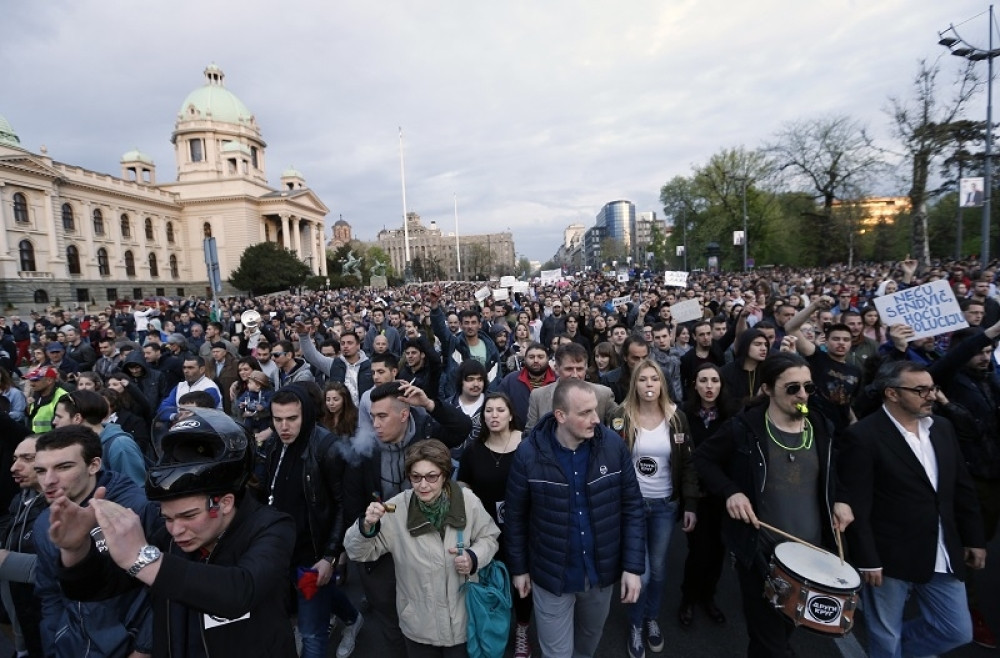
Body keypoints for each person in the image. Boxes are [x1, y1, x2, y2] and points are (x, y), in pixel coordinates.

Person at [48, 407, 299, 657]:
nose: (176, 530)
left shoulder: (271, 527)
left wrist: (141, 558)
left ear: (224, 503)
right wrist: (76, 549)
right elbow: (97, 588)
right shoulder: (165, 537)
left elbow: (239, 592)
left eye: (189, 516)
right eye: (167, 517)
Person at [693, 352, 853, 658]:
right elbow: (702, 458)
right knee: (770, 639)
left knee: (785, 624)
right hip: (762, 553)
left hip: (811, 551)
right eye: (792, 388)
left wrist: (841, 499)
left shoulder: (819, 425)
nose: (803, 395)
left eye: (808, 387)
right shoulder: (745, 428)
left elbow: (832, 473)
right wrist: (731, 491)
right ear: (767, 389)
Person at [840, 361, 986, 658]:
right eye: (921, 390)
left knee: (957, 630)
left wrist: (974, 538)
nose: (930, 395)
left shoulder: (942, 428)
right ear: (892, 393)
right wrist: (867, 559)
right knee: (885, 634)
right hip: (889, 557)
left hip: (942, 550)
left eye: (932, 388)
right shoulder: (864, 436)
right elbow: (858, 504)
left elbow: (961, 488)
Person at [505, 378, 645, 658]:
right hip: (552, 574)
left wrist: (632, 566)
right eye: (585, 413)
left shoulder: (613, 448)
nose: (596, 418)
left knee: (589, 638)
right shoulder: (528, 454)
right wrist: (519, 569)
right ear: (560, 416)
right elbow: (516, 516)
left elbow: (632, 507)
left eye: (595, 410)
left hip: (599, 573)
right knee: (557, 653)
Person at [342, 380, 473, 656]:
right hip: (385, 559)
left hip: (430, 554)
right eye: (372, 417)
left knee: (437, 627)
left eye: (382, 416)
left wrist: (429, 404)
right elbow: (353, 506)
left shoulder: (426, 438)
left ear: (404, 415)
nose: (375, 424)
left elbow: (462, 428)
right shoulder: (365, 453)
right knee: (391, 625)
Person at [345, 439, 501, 658]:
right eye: (416, 477)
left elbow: (490, 536)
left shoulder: (468, 502)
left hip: (463, 623)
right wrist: (365, 526)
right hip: (419, 627)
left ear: (445, 475)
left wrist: (474, 557)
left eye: (431, 476)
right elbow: (358, 552)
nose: (423, 485)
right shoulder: (396, 509)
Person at [33, 424, 156, 657]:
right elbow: (50, 592)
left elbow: (165, 587)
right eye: (40, 470)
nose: (48, 480)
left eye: (63, 467)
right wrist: (53, 644)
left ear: (94, 465)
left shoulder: (137, 509)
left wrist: (145, 648)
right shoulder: (45, 521)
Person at [605, 359, 699, 658]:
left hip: (664, 506)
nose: (649, 385)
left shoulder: (677, 418)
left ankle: (651, 618)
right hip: (631, 506)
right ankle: (635, 623)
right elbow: (610, 457)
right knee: (640, 572)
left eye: (654, 379)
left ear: (662, 384)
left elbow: (688, 464)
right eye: (643, 379)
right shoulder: (621, 416)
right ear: (635, 384)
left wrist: (690, 503)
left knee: (658, 570)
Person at [261, 384, 363, 658]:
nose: (284, 426)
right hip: (282, 553)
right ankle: (353, 618)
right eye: (278, 419)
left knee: (310, 632)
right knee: (321, 594)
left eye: (292, 419)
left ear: (305, 415)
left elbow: (342, 506)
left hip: (312, 555)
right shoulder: (273, 445)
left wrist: (329, 556)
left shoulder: (326, 448)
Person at [459, 393, 532, 658]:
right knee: (495, 581)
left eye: (500, 410)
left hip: (524, 527)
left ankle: (522, 629)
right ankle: (494, 631)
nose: (494, 415)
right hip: (487, 529)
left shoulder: (527, 444)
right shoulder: (473, 451)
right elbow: (464, 487)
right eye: (488, 411)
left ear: (511, 414)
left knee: (522, 580)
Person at [679, 363, 736, 627]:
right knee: (698, 552)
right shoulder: (684, 414)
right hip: (695, 493)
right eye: (703, 380)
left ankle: (708, 597)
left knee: (718, 552)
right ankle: (688, 598)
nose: (709, 386)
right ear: (695, 385)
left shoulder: (732, 415)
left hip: (722, 493)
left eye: (715, 380)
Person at [1, 436, 47, 658]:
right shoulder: (21, 500)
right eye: (14, 458)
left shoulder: (60, 508)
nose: (14, 467)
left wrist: (7, 562)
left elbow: (60, 568)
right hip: (24, 616)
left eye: (27, 459)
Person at [52, 390, 147, 487]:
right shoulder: (76, 445)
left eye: (59, 417)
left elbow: (135, 491)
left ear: (77, 418)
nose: (54, 422)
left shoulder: (120, 445)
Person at [525, 342, 615, 433]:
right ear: (556, 369)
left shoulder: (604, 394)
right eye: (569, 369)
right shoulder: (538, 396)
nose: (575, 375)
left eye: (579, 369)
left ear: (586, 368)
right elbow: (530, 434)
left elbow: (621, 423)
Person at [497, 341, 556, 429]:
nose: (536, 360)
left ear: (547, 359)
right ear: (525, 359)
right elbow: (498, 405)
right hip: (516, 435)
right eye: (531, 357)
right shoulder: (510, 380)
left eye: (540, 357)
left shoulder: (558, 382)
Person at [156, 355, 223, 417]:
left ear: (201, 369)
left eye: (190, 368)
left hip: (206, 427)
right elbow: (163, 408)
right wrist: (175, 416)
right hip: (181, 425)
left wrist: (179, 415)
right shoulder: (180, 386)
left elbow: (201, 413)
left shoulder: (210, 387)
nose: (186, 371)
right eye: (184, 368)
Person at [25, 366, 68, 433]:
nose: (31, 384)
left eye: (36, 380)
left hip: (52, 440)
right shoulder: (35, 395)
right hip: (35, 438)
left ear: (49, 381)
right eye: (30, 380)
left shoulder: (63, 397)